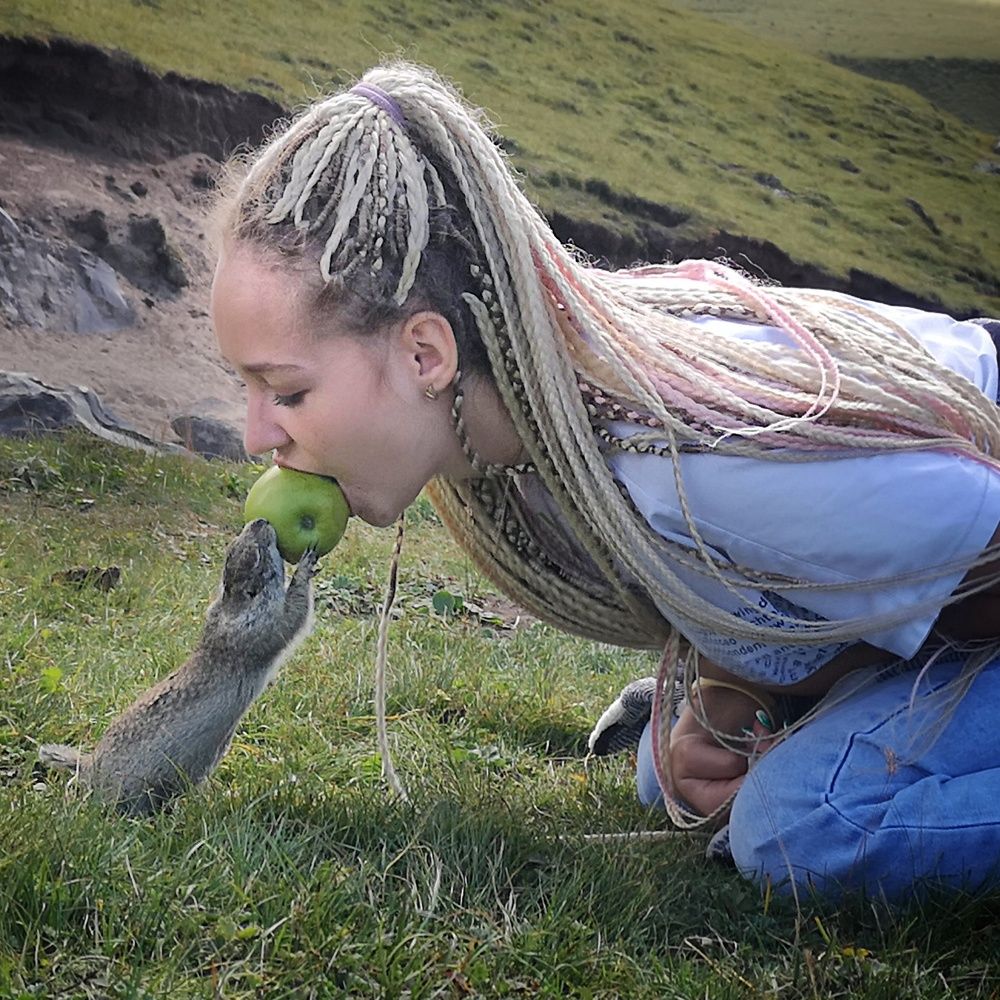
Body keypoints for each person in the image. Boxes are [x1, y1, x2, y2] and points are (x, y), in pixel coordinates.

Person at [209, 61, 1000, 902]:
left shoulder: (698, 464)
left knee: (803, 826)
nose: (258, 434)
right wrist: (740, 688)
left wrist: (779, 687)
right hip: (945, 555)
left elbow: (980, 568)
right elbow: (762, 571)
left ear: (426, 354)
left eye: (288, 392)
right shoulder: (542, 425)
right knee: (669, 774)